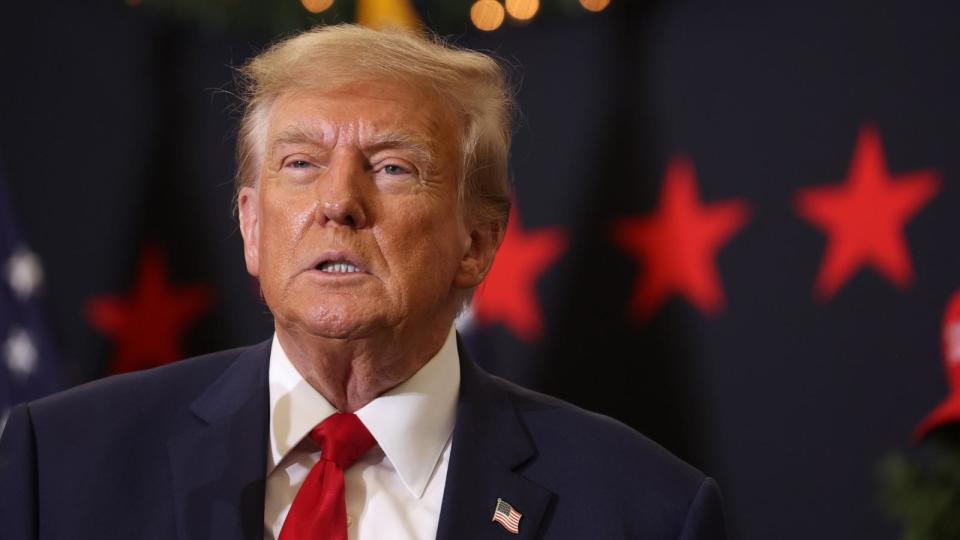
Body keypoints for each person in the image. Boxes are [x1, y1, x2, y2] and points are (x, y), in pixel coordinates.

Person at [0, 24, 727, 539]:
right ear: (251, 228)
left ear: (475, 243)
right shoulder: (61, 462)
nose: (338, 202)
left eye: (391, 167)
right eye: (300, 163)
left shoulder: (642, 508)